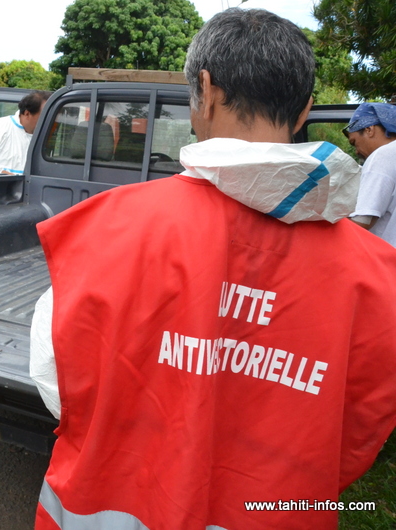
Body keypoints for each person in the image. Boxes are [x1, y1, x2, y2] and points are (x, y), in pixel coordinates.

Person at [29, 8, 396, 530]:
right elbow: (358, 434)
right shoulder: (380, 278)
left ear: (206, 89)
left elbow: (57, 385)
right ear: (305, 109)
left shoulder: (103, 232)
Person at [344, 102, 396, 246]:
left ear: (369, 129)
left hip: (388, 261)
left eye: (354, 142)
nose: (356, 151)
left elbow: (363, 220)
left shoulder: (382, 155)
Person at [0, 90, 51, 175]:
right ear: (27, 114)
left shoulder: (46, 137)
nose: (47, 121)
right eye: (43, 116)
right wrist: (1, 173)